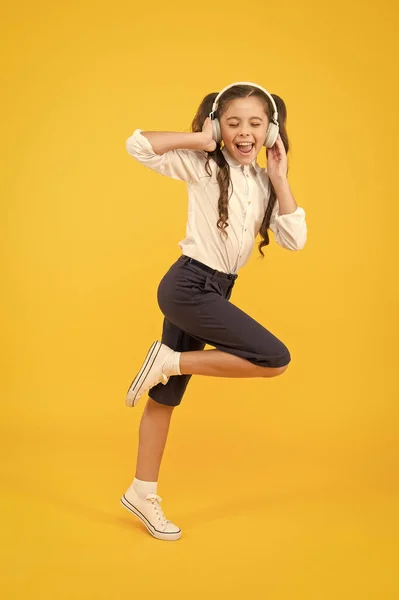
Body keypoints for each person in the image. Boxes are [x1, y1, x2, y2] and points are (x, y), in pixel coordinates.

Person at [120, 82, 307, 541]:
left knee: (165, 396)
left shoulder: (263, 183)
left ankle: (142, 492)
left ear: (270, 132)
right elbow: (139, 144)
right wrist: (200, 142)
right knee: (273, 357)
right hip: (188, 286)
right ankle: (170, 361)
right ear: (217, 126)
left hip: (214, 291)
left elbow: (294, 239)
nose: (244, 132)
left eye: (255, 124)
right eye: (233, 122)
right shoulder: (204, 166)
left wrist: (280, 179)